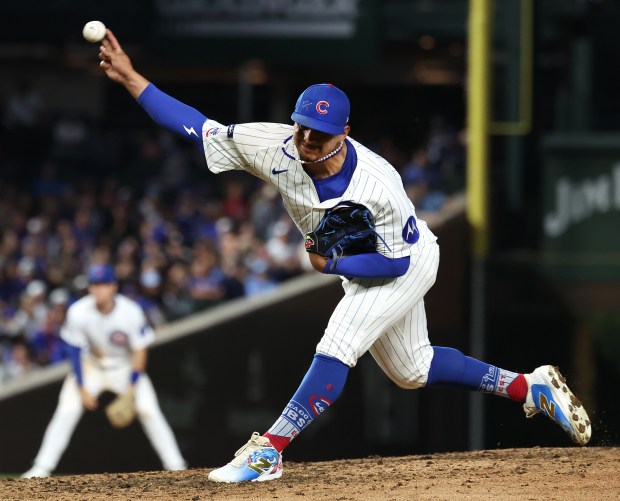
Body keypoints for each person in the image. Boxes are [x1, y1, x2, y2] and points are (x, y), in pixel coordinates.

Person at [96, 29, 591, 483]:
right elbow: (196, 127)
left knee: (340, 340)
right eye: (302, 128)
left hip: (405, 262)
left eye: (320, 133)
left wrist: (331, 265)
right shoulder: (274, 145)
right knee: (412, 370)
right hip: (362, 268)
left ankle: (269, 451)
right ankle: (529, 387)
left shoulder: (380, 185)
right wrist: (132, 79)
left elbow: (395, 264)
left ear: (345, 131)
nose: (308, 140)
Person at [21, 263, 187, 478]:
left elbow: (140, 351)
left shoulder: (131, 312)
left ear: (113, 287)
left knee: (149, 410)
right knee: (68, 409)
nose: (97, 288)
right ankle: (41, 468)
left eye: (103, 284)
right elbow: (74, 350)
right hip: (92, 367)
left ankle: (177, 466)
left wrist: (131, 386)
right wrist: (81, 387)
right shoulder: (78, 311)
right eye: (94, 284)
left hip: (125, 367)